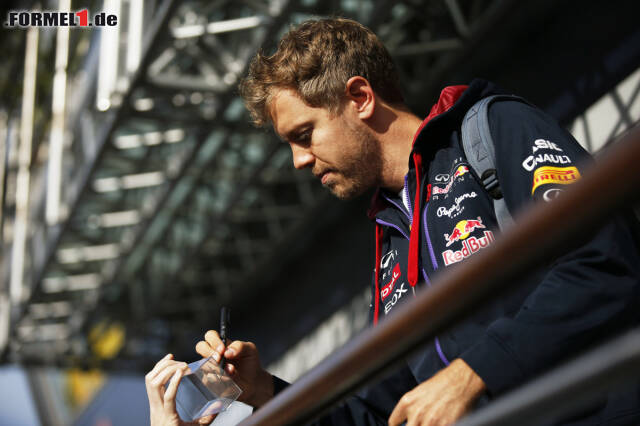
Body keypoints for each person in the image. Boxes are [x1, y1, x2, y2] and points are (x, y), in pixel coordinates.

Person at [146, 17, 640, 425]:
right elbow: (383, 411)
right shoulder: (391, 243)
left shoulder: (490, 128)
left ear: (360, 97)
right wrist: (264, 392)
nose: (298, 161)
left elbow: (604, 261)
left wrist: (474, 373)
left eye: (305, 134)